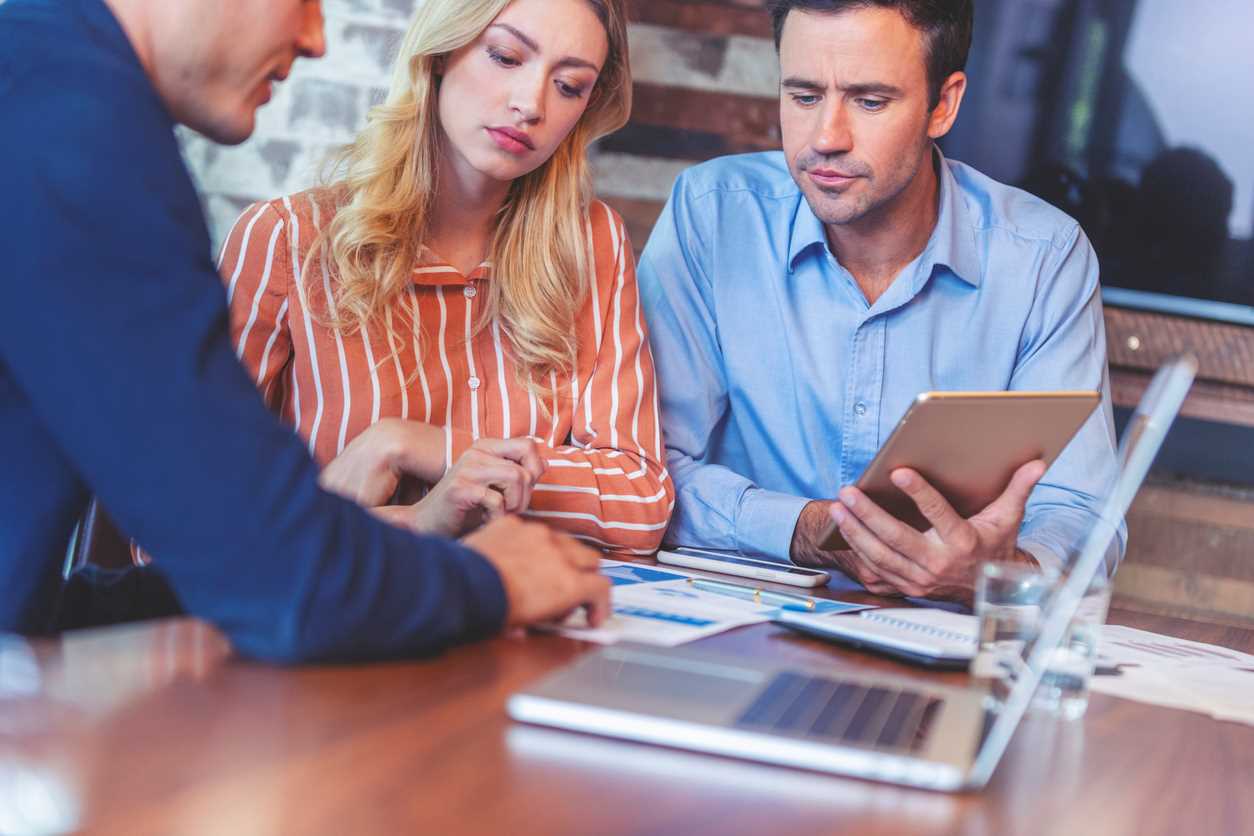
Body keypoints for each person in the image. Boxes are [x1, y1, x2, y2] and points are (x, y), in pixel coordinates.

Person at [0, 0, 610, 660]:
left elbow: (39, 598)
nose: (315, 38)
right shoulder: (72, 134)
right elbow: (278, 578)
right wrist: (491, 581)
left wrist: (392, 540)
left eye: (570, 84)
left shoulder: (39, 86)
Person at [638, 0, 1124, 603]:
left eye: (870, 101)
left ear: (942, 104)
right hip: (736, 623)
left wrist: (998, 572)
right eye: (804, 95)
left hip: (940, 644)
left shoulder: (1042, 256)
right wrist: (806, 531)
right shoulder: (713, 213)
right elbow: (645, 473)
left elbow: (1079, 511)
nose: (826, 139)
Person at [208, 0, 671, 558]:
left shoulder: (593, 242)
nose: (530, 104)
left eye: (570, 86)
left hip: (520, 633)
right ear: (441, 53)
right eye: (504, 56)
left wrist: (412, 444)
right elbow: (176, 524)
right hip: (326, 634)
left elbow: (641, 500)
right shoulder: (285, 239)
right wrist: (414, 523)